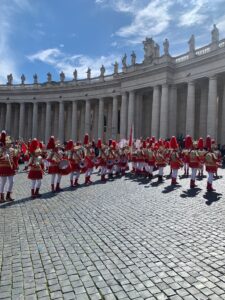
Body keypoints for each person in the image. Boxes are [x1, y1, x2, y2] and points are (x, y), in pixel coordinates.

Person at [0, 131, 16, 202]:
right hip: (3, 167)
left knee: (12, 181)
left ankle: (8, 195)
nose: (10, 144)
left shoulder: (12, 150)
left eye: (10, 143)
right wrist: (3, 157)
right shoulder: (1, 149)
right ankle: (1, 196)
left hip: (10, 167)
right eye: (9, 143)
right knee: (3, 182)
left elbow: (14, 158)